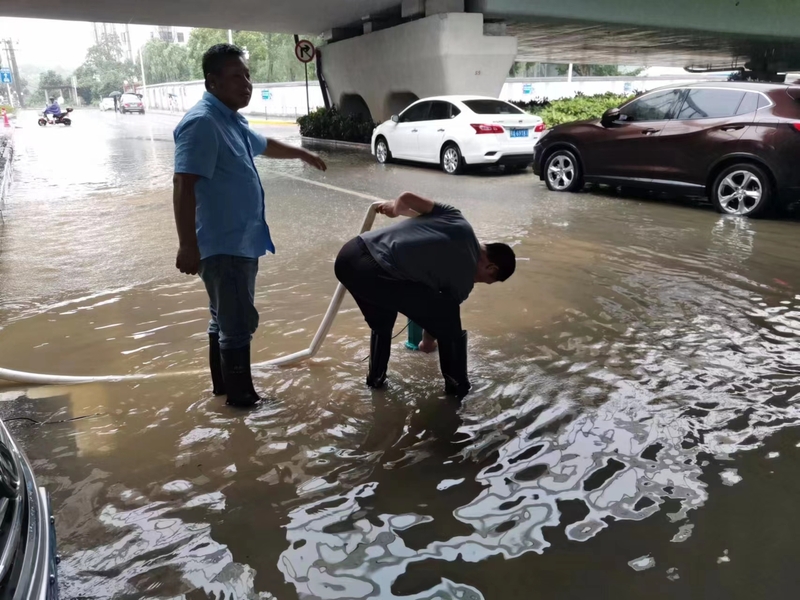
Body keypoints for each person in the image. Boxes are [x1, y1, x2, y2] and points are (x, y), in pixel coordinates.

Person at [172, 43, 327, 407]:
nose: (246, 83)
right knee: (238, 323)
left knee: (223, 319)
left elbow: (263, 144)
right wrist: (187, 245)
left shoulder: (229, 119)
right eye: (236, 76)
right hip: (223, 245)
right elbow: (183, 183)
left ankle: (224, 390)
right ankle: (243, 402)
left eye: (247, 75)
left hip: (239, 241)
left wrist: (302, 152)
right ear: (212, 82)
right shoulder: (202, 123)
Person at [334, 192, 516, 397]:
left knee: (382, 322)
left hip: (349, 256)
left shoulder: (456, 218)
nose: (478, 282)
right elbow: (443, 317)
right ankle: (459, 393)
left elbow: (406, 198)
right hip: (376, 272)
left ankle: (375, 383)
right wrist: (427, 343)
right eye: (485, 280)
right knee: (449, 320)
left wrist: (395, 209)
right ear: (491, 268)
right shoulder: (464, 278)